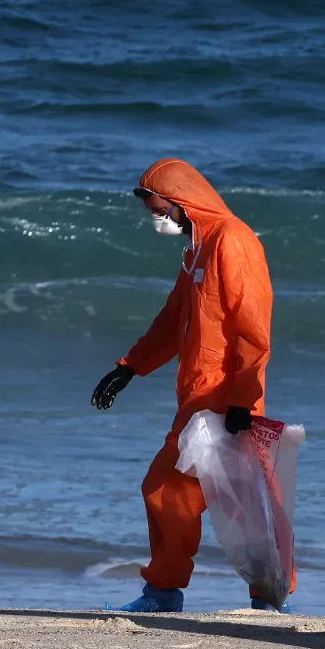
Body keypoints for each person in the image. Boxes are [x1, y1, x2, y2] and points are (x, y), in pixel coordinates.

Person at [91, 159, 287, 613]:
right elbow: (172, 319)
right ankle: (196, 595)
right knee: (215, 499)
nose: (158, 220)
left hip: (225, 399)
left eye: (161, 210)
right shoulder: (198, 249)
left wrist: (244, 400)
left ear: (182, 202)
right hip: (198, 401)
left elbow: (253, 330)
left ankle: (245, 598)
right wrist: (128, 369)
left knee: (221, 501)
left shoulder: (232, 242)